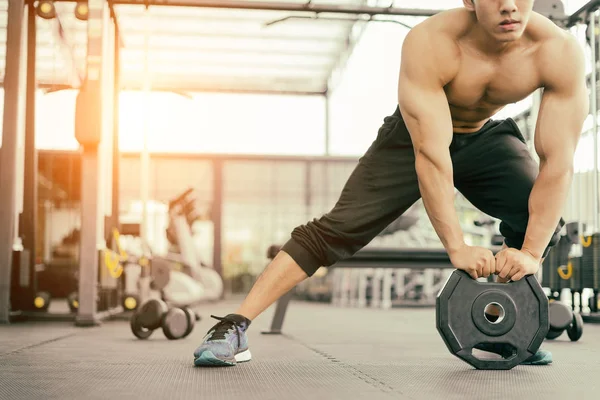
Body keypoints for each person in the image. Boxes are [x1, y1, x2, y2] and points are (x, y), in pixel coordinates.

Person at [193, 0, 588, 367]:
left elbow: (557, 163)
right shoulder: (432, 42)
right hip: (413, 139)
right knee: (337, 230)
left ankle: (501, 326)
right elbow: (432, 156)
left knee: (540, 217)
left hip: (486, 138)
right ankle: (234, 326)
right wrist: (457, 247)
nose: (508, 6)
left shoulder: (558, 52)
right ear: (469, 0)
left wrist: (532, 254)